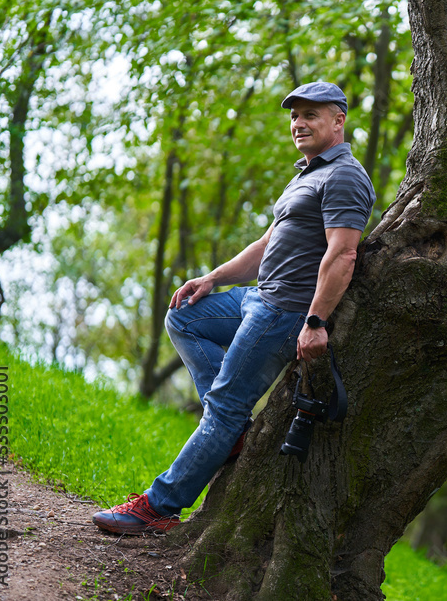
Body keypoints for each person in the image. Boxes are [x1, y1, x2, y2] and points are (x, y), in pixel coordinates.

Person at [92, 82, 376, 535]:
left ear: (338, 121)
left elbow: (343, 255)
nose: (298, 123)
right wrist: (213, 278)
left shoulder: (344, 176)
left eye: (311, 115)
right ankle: (232, 430)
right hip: (258, 297)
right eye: (294, 116)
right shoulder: (306, 174)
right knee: (184, 315)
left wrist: (315, 322)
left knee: (224, 405)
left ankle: (159, 507)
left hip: (285, 312)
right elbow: (267, 245)